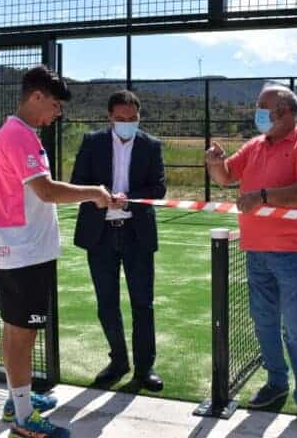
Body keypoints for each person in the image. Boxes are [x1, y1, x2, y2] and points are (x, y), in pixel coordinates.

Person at [0, 65, 112, 438]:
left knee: (18, 331)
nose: (58, 113)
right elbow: (45, 190)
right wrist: (95, 192)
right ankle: (24, 418)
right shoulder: (19, 135)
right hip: (25, 251)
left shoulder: (20, 132)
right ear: (37, 97)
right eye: (56, 104)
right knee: (22, 334)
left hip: (25, 249)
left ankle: (18, 399)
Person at [205, 84, 297, 436]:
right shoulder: (256, 146)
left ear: (287, 113)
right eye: (258, 108)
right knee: (263, 323)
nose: (257, 113)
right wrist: (215, 163)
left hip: (296, 253)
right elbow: (226, 177)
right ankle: (277, 382)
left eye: (264, 108)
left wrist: (263, 196)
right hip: (256, 250)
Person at [71, 90, 166, 392]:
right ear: (110, 117)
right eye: (121, 118)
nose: (127, 123)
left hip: (136, 235)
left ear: (139, 116)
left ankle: (144, 368)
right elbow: (77, 182)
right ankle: (118, 361)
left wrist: (130, 200)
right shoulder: (92, 142)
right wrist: (99, 194)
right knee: (107, 304)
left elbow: (159, 189)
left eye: (133, 118)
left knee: (143, 304)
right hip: (99, 236)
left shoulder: (151, 146)